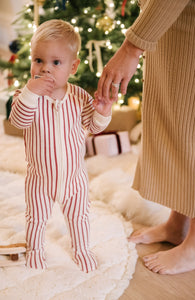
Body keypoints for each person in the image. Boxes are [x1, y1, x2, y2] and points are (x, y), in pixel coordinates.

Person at [97, 0, 195, 275]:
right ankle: (178, 225)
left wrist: (131, 47)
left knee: (194, 130)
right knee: (178, 125)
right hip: (173, 23)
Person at [10, 19, 112, 273]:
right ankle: (35, 249)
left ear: (73, 66)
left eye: (56, 63)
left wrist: (104, 110)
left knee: (79, 218)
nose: (45, 69)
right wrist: (30, 93)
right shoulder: (26, 97)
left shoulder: (79, 97)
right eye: (38, 61)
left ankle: (81, 249)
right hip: (40, 180)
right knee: (36, 218)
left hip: (74, 180)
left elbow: (95, 126)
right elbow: (18, 120)